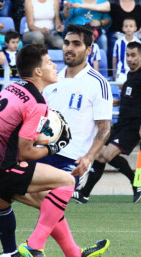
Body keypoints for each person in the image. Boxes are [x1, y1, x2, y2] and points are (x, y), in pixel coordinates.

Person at [0, 43, 110, 257]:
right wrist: (55, 146)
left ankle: (70, 256)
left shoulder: (12, 87)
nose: (55, 65)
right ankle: (34, 247)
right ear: (38, 71)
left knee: (28, 202)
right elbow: (25, 152)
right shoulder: (37, 102)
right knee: (67, 182)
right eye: (48, 62)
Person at [73, 42, 141, 204]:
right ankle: (84, 194)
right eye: (127, 55)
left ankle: (136, 183)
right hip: (121, 124)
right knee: (99, 154)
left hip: (134, 126)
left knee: (107, 154)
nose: (129, 59)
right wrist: (114, 102)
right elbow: (132, 99)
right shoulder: (130, 76)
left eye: (133, 55)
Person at [41, 24, 113, 187]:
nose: (69, 48)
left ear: (89, 50)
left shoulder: (98, 83)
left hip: (72, 160)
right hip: (43, 153)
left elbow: (104, 127)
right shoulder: (51, 81)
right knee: (0, 197)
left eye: (76, 44)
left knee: (49, 200)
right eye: (66, 43)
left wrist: (88, 157)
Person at [69, 0, 141, 73]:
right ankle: (111, 70)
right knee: (114, 42)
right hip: (117, 34)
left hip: (136, 33)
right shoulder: (114, 2)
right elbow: (98, 7)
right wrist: (80, 5)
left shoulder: (140, 3)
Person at [113, 17, 141, 85]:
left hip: (133, 71)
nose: (128, 28)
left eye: (131, 26)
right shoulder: (118, 42)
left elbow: (140, 59)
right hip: (121, 71)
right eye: (126, 26)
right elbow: (114, 58)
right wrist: (114, 74)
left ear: (135, 28)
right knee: (120, 87)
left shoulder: (138, 42)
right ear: (123, 28)